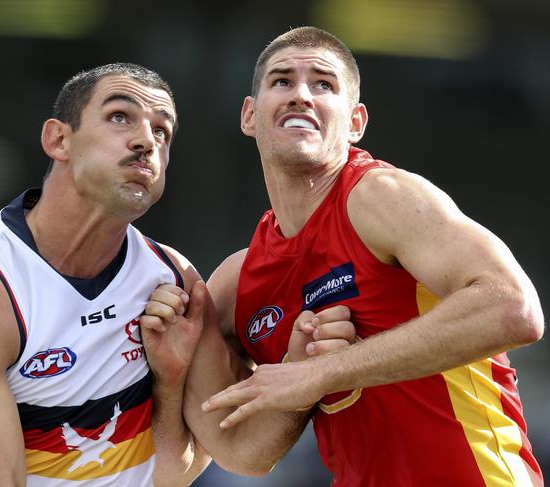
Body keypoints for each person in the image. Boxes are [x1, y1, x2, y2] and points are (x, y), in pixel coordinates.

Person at [143, 27, 545, 486]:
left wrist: (320, 373)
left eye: (323, 84)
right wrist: (293, 376)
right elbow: (242, 455)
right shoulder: (238, 283)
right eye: (281, 82)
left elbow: (513, 308)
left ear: (355, 122)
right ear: (250, 115)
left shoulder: (381, 197)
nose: (300, 96)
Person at [0, 62, 215, 486]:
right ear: (58, 139)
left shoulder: (172, 278)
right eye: (120, 116)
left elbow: (168, 475)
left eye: (162, 131)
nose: (146, 140)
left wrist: (170, 383)